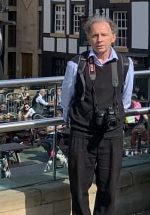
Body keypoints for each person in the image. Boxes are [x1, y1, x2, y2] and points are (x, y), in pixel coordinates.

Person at [60, 15, 134, 215]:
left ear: (114, 37)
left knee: (108, 187)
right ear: (88, 38)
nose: (99, 39)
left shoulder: (125, 64)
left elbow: (125, 100)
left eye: (104, 35)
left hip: (111, 134)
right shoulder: (77, 64)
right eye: (95, 35)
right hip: (82, 134)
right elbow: (66, 99)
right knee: (78, 187)